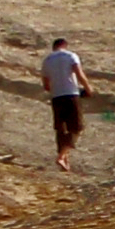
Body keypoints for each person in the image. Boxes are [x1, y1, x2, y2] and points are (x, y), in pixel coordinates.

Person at [41, 33, 91, 169]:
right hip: (71, 94)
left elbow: (46, 85)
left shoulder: (47, 60)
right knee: (76, 127)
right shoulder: (70, 56)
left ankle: (65, 160)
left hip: (56, 97)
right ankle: (62, 156)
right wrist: (88, 88)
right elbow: (79, 73)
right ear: (65, 45)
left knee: (60, 128)